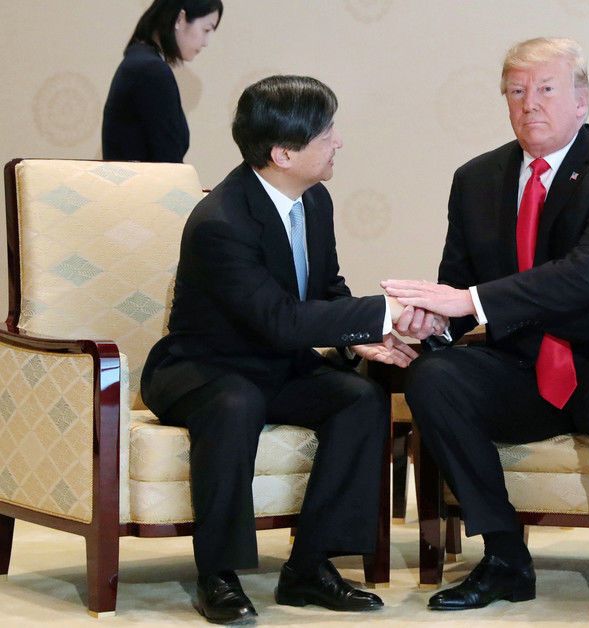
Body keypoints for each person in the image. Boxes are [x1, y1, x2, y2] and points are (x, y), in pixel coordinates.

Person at [382, 37, 589, 624]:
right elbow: (459, 286)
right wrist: (426, 322)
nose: (530, 104)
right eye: (516, 91)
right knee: (434, 376)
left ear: (582, 99)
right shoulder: (475, 178)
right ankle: (504, 555)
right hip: (526, 365)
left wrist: (469, 300)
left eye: (546, 89)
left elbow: (588, 275)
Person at [141, 75, 436, 625]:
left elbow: (327, 291)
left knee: (359, 400)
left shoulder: (314, 200)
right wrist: (385, 311)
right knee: (236, 403)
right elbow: (278, 319)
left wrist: (367, 339)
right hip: (203, 368)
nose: (338, 141)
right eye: (326, 133)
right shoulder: (222, 222)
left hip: (275, 365)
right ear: (283, 153)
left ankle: (309, 567)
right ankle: (218, 575)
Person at [102, 0, 223, 162]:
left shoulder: (139, 61)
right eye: (206, 29)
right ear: (180, 18)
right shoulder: (151, 70)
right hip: (145, 179)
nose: (206, 42)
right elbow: (168, 161)